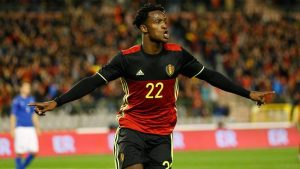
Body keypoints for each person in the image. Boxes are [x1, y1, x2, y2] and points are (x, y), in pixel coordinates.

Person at [29, 4, 275, 169]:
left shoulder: (177, 56)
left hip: (161, 136)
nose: (165, 25)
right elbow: (92, 83)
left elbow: (210, 76)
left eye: (165, 21)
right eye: (158, 22)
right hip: (132, 130)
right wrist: (56, 102)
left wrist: (248, 93)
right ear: (144, 28)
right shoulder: (126, 59)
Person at [11, 82, 40, 169]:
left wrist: (37, 127)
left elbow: (34, 115)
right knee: (19, 152)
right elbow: (13, 115)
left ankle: (21, 167)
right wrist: (12, 129)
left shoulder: (31, 99)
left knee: (34, 151)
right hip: (20, 128)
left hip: (31, 128)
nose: (28, 89)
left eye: (29, 87)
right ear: (22, 88)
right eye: (26, 87)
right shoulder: (17, 100)